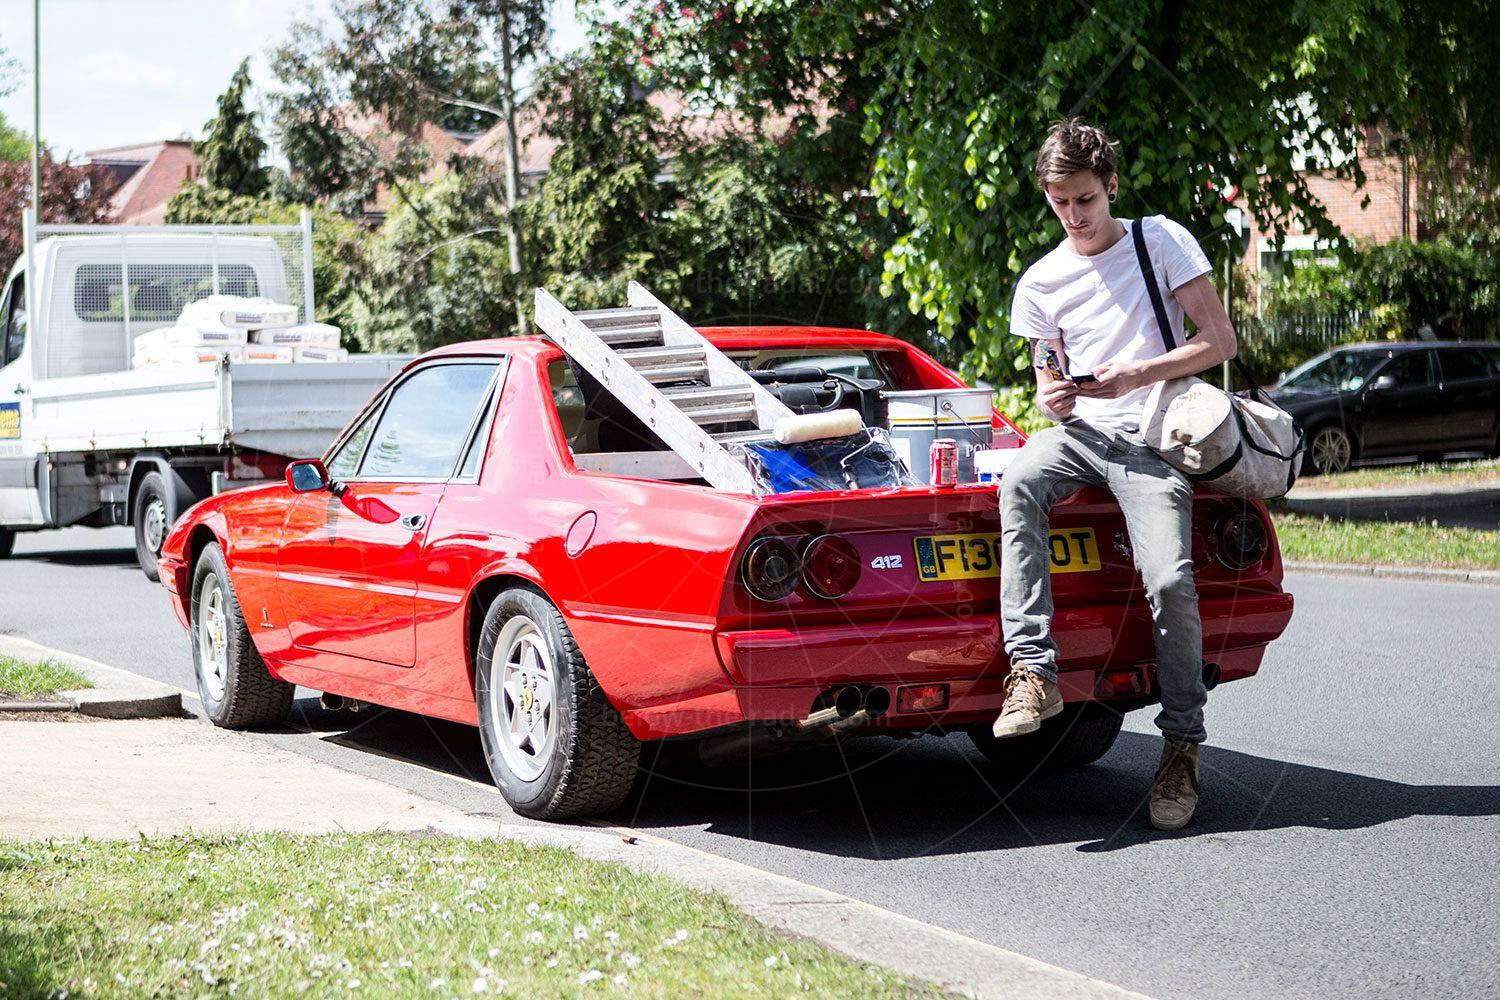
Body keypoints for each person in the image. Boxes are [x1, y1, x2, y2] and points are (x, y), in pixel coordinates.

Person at [992, 118, 1238, 831]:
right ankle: (1034, 674)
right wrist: (1051, 392)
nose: (1074, 217)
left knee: (1168, 579)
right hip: (1081, 435)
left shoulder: (1158, 240)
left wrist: (1137, 372)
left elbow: (1219, 341)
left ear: (1111, 188)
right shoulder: (1040, 281)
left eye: (1087, 201)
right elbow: (1044, 370)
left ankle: (1181, 746)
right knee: (1019, 482)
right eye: (1061, 203)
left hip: (1153, 440)